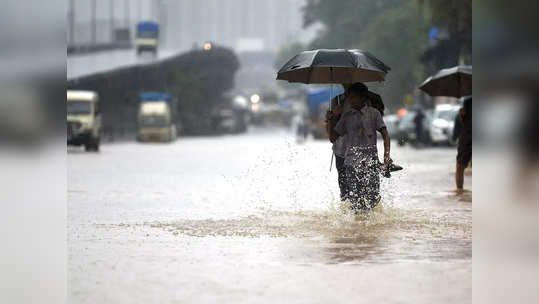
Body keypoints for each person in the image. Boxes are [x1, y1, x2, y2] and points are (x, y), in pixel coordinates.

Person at [328, 83, 392, 212]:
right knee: (355, 199)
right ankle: (358, 224)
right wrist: (332, 118)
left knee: (373, 197)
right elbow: (333, 138)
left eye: (353, 97)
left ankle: (369, 226)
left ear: (363, 97)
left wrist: (386, 155)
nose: (350, 101)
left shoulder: (374, 114)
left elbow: (385, 134)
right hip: (351, 162)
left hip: (370, 161)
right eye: (349, 98)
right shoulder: (346, 116)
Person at [325, 83, 352, 200]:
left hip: (360, 148)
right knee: (343, 182)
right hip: (340, 148)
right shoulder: (336, 101)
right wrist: (333, 117)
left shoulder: (367, 100)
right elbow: (331, 133)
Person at [456, 97, 472, 191]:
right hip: (467, 136)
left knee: (460, 166)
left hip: (467, 136)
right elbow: (463, 122)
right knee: (460, 165)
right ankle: (459, 191)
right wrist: (461, 115)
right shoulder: (468, 102)